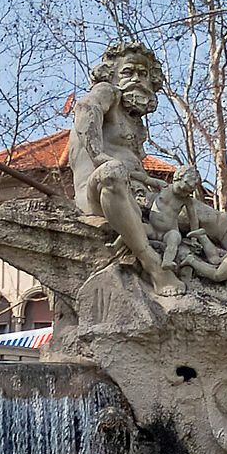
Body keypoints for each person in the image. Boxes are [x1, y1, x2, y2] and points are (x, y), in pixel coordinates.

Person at [70, 41, 182, 294]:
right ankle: (153, 265)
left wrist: (154, 183)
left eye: (143, 75)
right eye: (128, 72)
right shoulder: (107, 93)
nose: (137, 80)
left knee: (191, 202)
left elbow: (133, 167)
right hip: (96, 194)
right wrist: (99, 155)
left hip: (135, 198)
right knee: (113, 172)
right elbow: (86, 108)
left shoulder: (134, 123)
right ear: (111, 76)